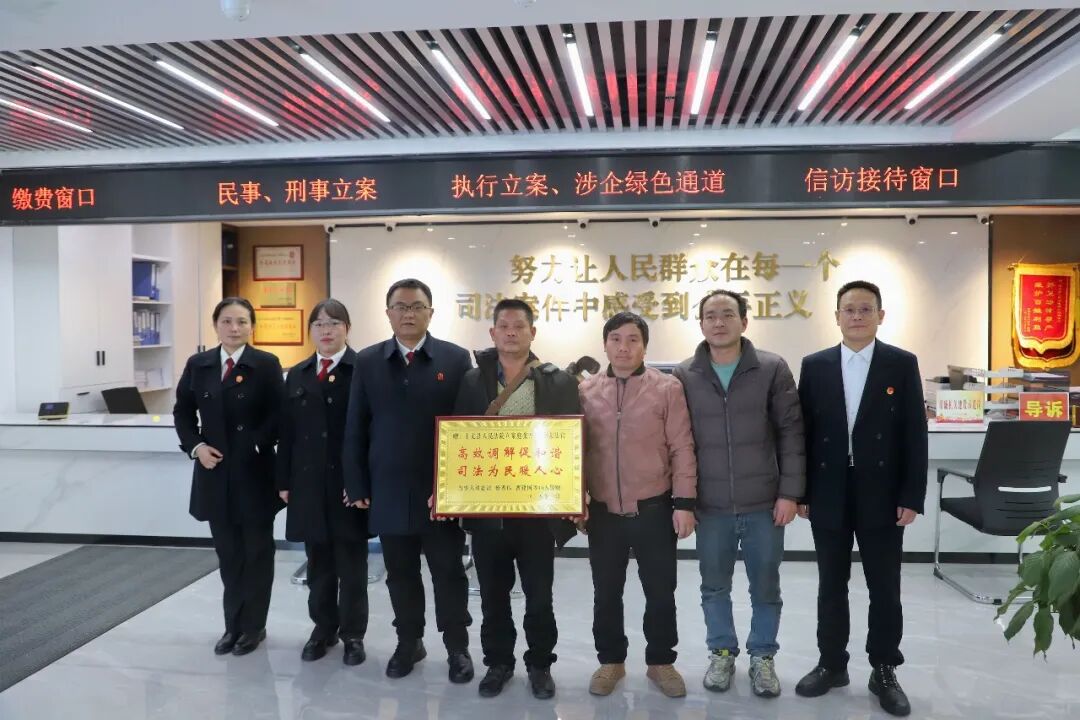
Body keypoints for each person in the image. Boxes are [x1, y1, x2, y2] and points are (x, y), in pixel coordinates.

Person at [794, 280, 927, 717]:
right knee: (831, 584)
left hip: (883, 493)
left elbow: (914, 433)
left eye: (865, 309)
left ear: (880, 316)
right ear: (836, 317)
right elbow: (803, 434)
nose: (856, 316)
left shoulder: (900, 363)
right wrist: (802, 491)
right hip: (828, 490)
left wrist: (911, 495)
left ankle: (884, 669)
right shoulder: (815, 365)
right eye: (848, 309)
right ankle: (831, 664)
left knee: (884, 586)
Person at [342, 278, 475, 683]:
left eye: (417, 306)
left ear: (431, 313)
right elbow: (355, 425)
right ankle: (409, 642)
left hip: (440, 492)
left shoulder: (455, 359)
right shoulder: (368, 361)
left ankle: (457, 648)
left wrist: (456, 489)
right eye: (400, 307)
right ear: (388, 313)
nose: (408, 314)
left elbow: (467, 430)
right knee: (400, 574)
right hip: (389, 488)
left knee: (448, 573)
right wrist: (357, 484)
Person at [673, 289, 804, 698]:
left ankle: (763, 657)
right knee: (714, 586)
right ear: (700, 324)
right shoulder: (684, 375)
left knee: (765, 586)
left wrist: (789, 493)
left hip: (764, 503)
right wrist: (684, 501)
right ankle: (722, 653)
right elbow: (678, 443)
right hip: (710, 507)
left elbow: (791, 433)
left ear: (744, 322)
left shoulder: (771, 368)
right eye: (710, 315)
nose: (719, 322)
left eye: (728, 314)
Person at [452, 298, 581, 700]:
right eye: (504, 326)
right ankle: (498, 663)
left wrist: (575, 493)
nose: (511, 332)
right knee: (493, 595)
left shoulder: (557, 381)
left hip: (537, 511)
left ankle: (540, 665)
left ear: (532, 332)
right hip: (487, 510)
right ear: (493, 333)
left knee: (539, 596)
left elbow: (573, 443)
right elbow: (458, 439)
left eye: (519, 326)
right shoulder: (472, 381)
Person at [577, 311, 698, 699]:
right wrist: (577, 499)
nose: (624, 347)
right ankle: (611, 660)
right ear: (605, 344)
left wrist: (684, 503)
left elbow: (682, 447)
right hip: (603, 512)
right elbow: (575, 450)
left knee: (660, 591)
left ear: (645, 346)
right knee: (605, 591)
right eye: (616, 339)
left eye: (633, 339)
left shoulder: (667, 388)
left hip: (654, 509)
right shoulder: (587, 391)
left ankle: (661, 661)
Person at [173, 296, 284, 656]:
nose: (234, 328)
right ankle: (232, 626)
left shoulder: (266, 364)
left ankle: (254, 627)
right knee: (229, 555)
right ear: (216, 325)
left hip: (255, 474)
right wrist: (197, 447)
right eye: (226, 321)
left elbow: (279, 414)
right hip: (214, 472)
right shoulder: (199, 364)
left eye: (242, 322)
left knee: (257, 554)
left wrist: (257, 443)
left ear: (252, 327)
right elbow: (183, 412)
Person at [276, 299, 369, 666]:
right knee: (318, 565)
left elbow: (371, 431)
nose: (326, 330)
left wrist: (362, 483)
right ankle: (323, 629)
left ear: (347, 328)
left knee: (352, 567)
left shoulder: (362, 369)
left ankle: (353, 635)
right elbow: (287, 433)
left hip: (348, 488)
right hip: (309, 486)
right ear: (310, 330)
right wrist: (284, 480)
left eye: (334, 323)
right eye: (319, 324)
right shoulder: (298, 374)